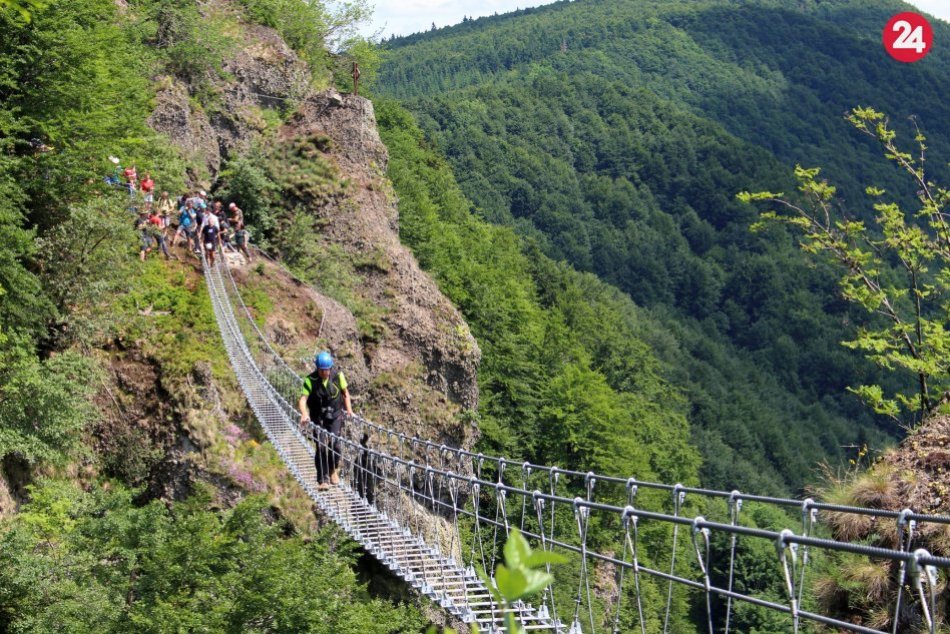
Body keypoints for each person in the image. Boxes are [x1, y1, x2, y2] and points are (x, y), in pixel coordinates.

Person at [298, 351, 353, 490]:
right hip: (318, 417)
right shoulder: (310, 380)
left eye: (327, 369)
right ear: (317, 368)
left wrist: (349, 410)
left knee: (335, 445)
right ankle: (323, 480)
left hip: (335, 415)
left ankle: (333, 469)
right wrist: (304, 414)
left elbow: (345, 394)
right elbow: (303, 399)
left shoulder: (338, 376)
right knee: (321, 446)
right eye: (322, 370)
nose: (324, 372)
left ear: (330, 368)